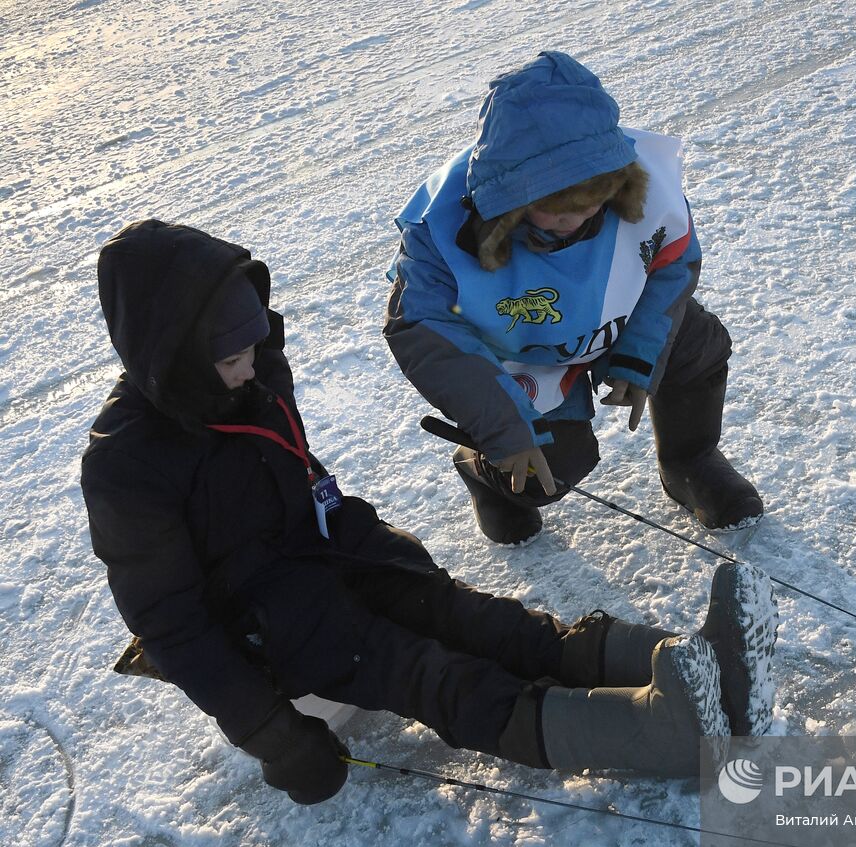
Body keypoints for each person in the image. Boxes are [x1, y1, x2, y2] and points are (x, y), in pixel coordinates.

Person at [80, 219, 778, 806]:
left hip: (339, 553)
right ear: (175, 360)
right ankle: (657, 732)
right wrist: (275, 738)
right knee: (439, 677)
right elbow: (170, 622)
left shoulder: (254, 372)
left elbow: (290, 470)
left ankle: (694, 662)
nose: (255, 366)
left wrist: (363, 535)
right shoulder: (126, 466)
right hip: (271, 628)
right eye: (233, 358)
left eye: (256, 343)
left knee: (489, 623)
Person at [384, 51, 763, 546]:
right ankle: (483, 474)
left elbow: (672, 268)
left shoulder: (646, 187)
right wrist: (504, 428)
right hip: (519, 353)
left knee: (697, 345)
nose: (579, 216)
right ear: (513, 198)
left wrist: (638, 357)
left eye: (594, 199)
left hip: (609, 316)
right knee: (555, 465)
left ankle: (689, 461)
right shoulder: (437, 231)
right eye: (556, 209)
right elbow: (425, 331)